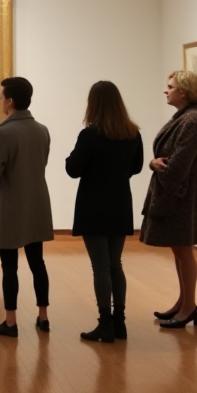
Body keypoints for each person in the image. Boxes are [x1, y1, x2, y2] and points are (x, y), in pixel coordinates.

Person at [140, 70, 197, 329]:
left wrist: (157, 166)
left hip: (182, 197)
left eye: (170, 86)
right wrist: (154, 163)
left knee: (184, 252)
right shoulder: (188, 117)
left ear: (183, 91)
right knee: (179, 251)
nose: (166, 90)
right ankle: (183, 301)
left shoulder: (193, 120)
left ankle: (189, 307)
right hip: (178, 194)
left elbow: (177, 166)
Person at [65, 81, 144, 343]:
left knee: (100, 267)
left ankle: (105, 324)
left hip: (93, 205)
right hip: (120, 203)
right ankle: (119, 323)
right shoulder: (133, 133)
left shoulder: (90, 135)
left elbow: (73, 169)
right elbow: (137, 167)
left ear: (94, 104)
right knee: (114, 264)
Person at [0, 77, 54, 338]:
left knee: (9, 265)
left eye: (2, 97)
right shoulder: (42, 130)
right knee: (38, 262)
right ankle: (43, 316)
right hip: (37, 204)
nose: (0, 101)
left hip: (10, 206)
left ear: (10, 101)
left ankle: (11, 321)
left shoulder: (4, 133)